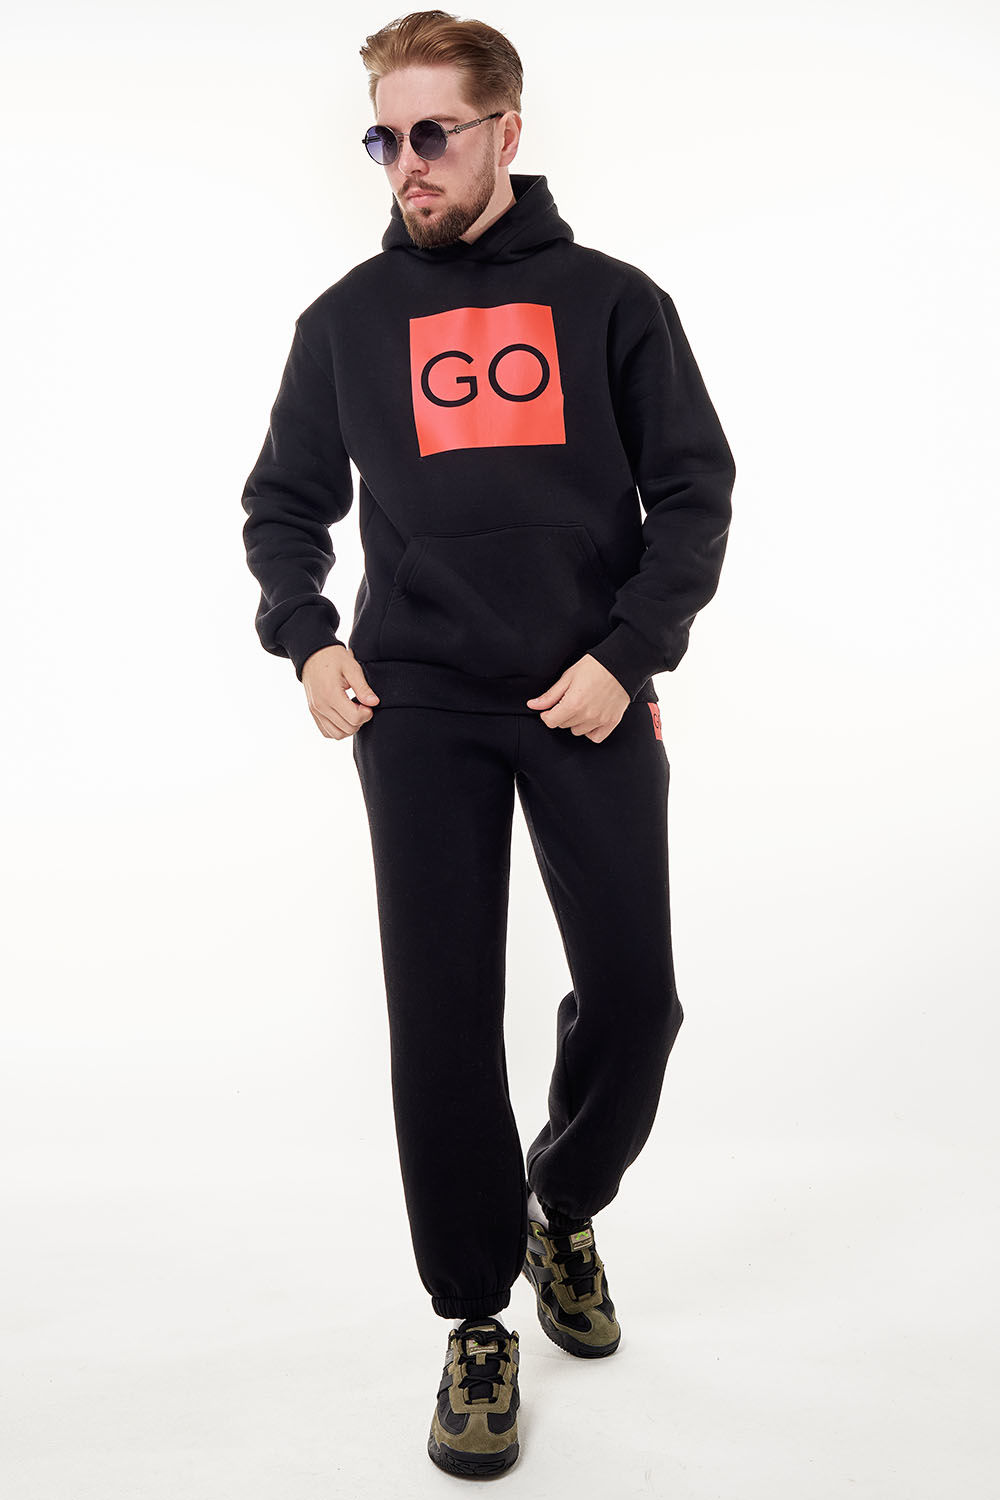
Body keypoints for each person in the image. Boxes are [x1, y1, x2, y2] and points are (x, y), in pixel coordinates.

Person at [241, 9, 736, 1480]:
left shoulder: (613, 303)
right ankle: (474, 1318)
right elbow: (283, 505)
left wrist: (625, 657)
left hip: (588, 693)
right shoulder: (344, 323)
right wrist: (309, 638)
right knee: (444, 1020)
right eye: (383, 138)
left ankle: (559, 1205)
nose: (406, 162)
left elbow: (694, 495)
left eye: (431, 133)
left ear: (505, 132)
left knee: (637, 998)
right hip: (419, 711)